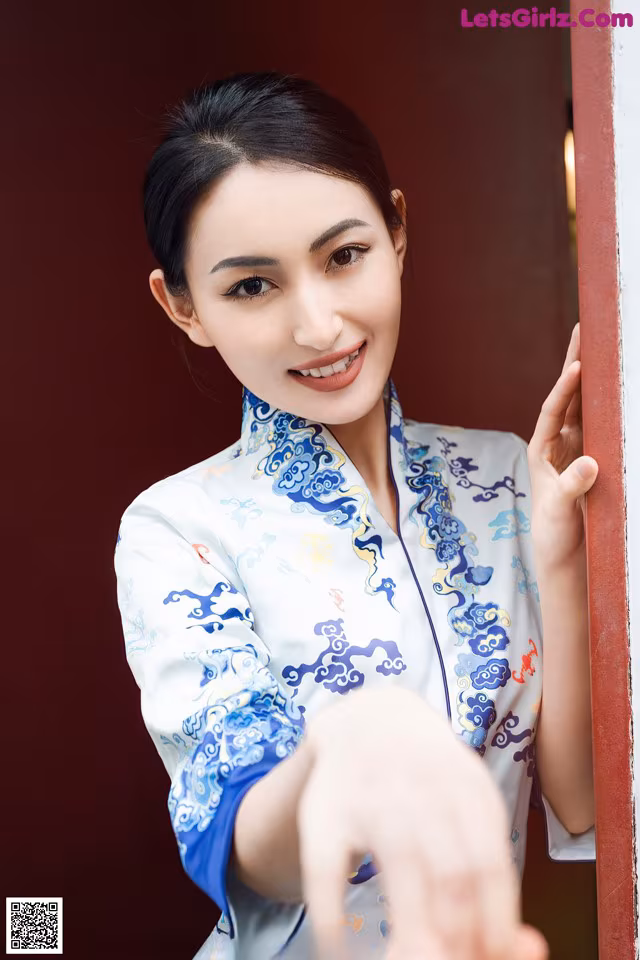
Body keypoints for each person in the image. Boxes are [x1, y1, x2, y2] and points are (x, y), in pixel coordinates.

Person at [113, 70, 597, 960]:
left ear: (397, 233)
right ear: (183, 307)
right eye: (252, 287)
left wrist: (561, 559)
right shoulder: (178, 527)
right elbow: (244, 845)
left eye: (344, 256)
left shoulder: (505, 474)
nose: (320, 325)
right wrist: (341, 751)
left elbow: (580, 800)